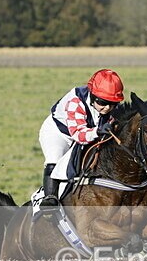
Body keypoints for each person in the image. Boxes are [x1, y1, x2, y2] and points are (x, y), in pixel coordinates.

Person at [38, 69, 124, 209]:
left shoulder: (107, 106)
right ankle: (50, 199)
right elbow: (79, 135)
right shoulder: (75, 102)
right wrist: (97, 131)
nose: (108, 108)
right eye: (103, 102)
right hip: (60, 133)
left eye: (112, 103)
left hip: (88, 130)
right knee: (54, 158)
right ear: (92, 94)